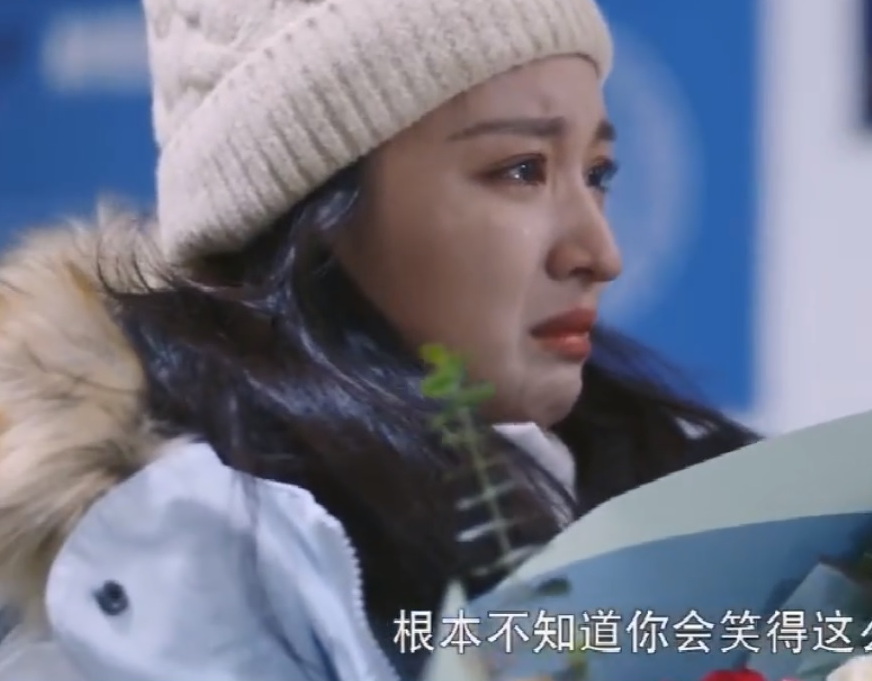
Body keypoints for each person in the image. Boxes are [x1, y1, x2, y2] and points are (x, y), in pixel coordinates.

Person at [0, 0, 756, 679]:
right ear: (316, 213)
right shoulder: (141, 605)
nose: (600, 252)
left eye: (598, 174)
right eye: (522, 170)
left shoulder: (685, 508)